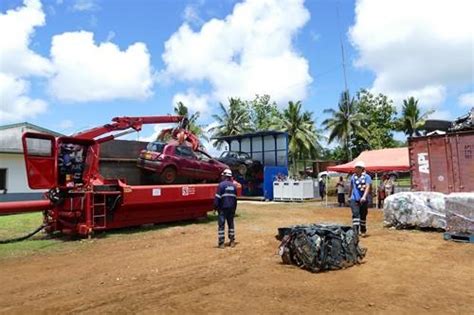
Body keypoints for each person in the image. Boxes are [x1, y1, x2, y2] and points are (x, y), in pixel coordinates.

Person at [214, 169, 238, 249]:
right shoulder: (234, 186)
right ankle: (232, 241)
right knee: (231, 224)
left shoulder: (221, 185)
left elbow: (217, 198)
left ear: (225, 176)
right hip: (231, 208)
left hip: (222, 208)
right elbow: (235, 199)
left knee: (221, 225)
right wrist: (234, 209)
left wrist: (215, 207)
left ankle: (221, 243)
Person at [348, 161, 372, 237]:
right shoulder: (353, 177)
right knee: (355, 214)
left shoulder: (367, 177)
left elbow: (368, 187)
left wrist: (364, 196)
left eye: (358, 167)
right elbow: (351, 187)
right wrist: (349, 196)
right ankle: (355, 231)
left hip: (363, 200)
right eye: (356, 167)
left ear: (362, 169)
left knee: (363, 215)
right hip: (354, 199)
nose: (356, 169)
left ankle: (363, 230)